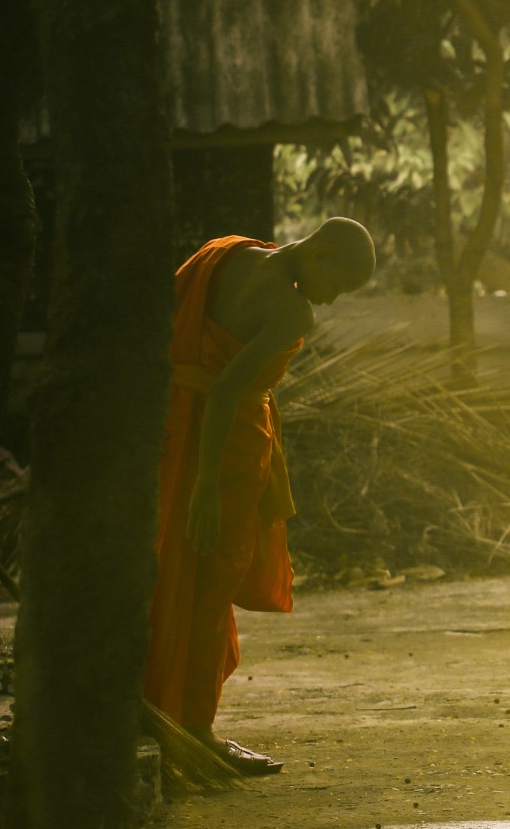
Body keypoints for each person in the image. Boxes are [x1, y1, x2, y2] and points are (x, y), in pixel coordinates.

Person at [142, 218, 375, 772]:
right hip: (223, 454)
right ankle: (194, 729)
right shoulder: (293, 312)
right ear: (318, 252)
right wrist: (205, 489)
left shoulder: (225, 252)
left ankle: (157, 711)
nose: (332, 300)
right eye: (338, 285)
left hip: (168, 428)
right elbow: (224, 391)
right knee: (208, 584)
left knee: (165, 566)